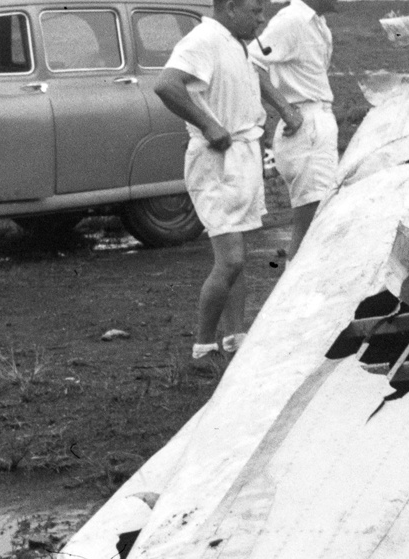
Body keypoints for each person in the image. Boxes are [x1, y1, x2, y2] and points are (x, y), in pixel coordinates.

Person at [155, 0, 302, 355]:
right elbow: (166, 84)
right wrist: (207, 124)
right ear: (231, 8)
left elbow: (256, 76)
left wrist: (283, 107)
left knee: (237, 254)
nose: (262, 18)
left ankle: (235, 337)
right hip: (216, 158)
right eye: (255, 11)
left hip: (244, 154)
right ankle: (203, 346)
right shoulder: (204, 38)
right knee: (231, 259)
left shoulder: (238, 41)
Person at [251, 0, 340, 259]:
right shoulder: (291, 19)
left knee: (320, 225)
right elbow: (250, 62)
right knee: (311, 228)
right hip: (305, 126)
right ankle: (293, 297)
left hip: (318, 121)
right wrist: (285, 109)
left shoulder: (318, 23)